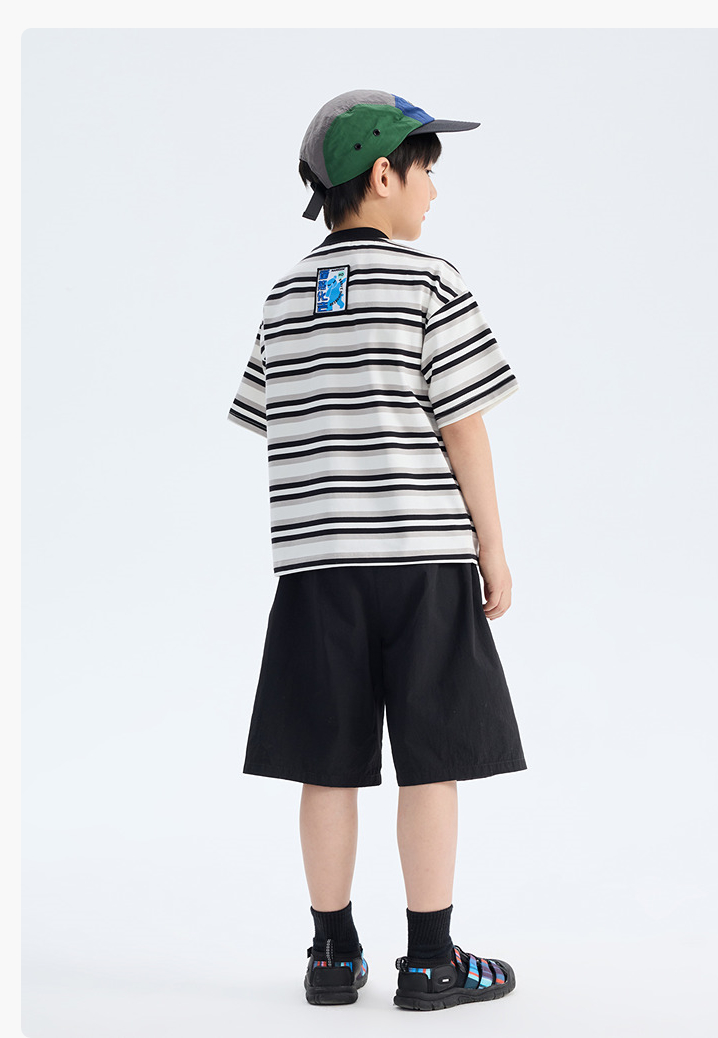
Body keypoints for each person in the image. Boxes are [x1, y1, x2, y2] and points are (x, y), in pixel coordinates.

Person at [227, 88, 528, 1012]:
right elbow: (463, 425)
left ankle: (331, 954)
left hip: (316, 571)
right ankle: (431, 961)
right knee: (430, 759)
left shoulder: (283, 296)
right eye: (427, 169)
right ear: (384, 174)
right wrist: (492, 547)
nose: (434, 190)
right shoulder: (430, 282)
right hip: (423, 561)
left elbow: (269, 417)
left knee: (327, 763)